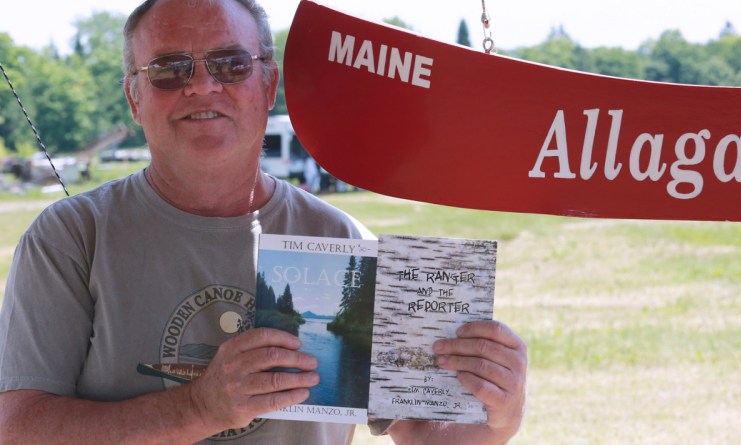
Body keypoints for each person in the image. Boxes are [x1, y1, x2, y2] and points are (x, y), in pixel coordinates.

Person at [0, 1, 527, 444]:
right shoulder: (70, 237)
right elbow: (17, 427)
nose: (202, 86)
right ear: (134, 98)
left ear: (269, 84)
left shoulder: (343, 244)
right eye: (169, 68)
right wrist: (200, 407)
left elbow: (426, 432)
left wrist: (498, 412)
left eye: (231, 64)